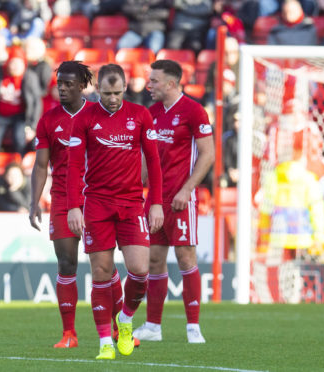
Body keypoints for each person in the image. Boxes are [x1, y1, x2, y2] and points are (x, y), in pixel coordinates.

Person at [66, 63, 164, 360]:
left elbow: (154, 161)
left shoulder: (140, 115)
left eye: (118, 92)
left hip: (132, 203)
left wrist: (156, 201)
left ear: (125, 88)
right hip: (96, 204)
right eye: (107, 93)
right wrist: (74, 206)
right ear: (97, 90)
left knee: (140, 270)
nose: (112, 98)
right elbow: (73, 166)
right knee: (101, 272)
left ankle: (125, 319)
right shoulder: (84, 119)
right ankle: (105, 342)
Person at [133, 59, 214, 344]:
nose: (149, 85)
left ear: (171, 83)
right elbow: (144, 159)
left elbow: (208, 154)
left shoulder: (193, 110)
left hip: (182, 200)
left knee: (185, 257)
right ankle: (153, 327)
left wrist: (187, 189)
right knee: (154, 260)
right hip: (154, 201)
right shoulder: (150, 113)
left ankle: (193, 327)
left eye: (154, 80)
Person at [29, 60, 94, 348]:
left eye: (69, 84)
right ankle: (69, 333)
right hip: (62, 199)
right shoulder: (48, 120)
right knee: (67, 263)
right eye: (60, 84)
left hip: (96, 196)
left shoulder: (97, 114)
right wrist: (34, 202)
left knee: (102, 265)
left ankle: (119, 328)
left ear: (83, 85)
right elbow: (41, 166)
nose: (63, 88)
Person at [0, 46, 42, 155]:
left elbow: (37, 102)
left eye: (19, 64)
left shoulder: (30, 77)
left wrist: (32, 127)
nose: (16, 67)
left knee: (20, 141)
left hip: (21, 116)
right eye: (13, 63)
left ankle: (17, 166)